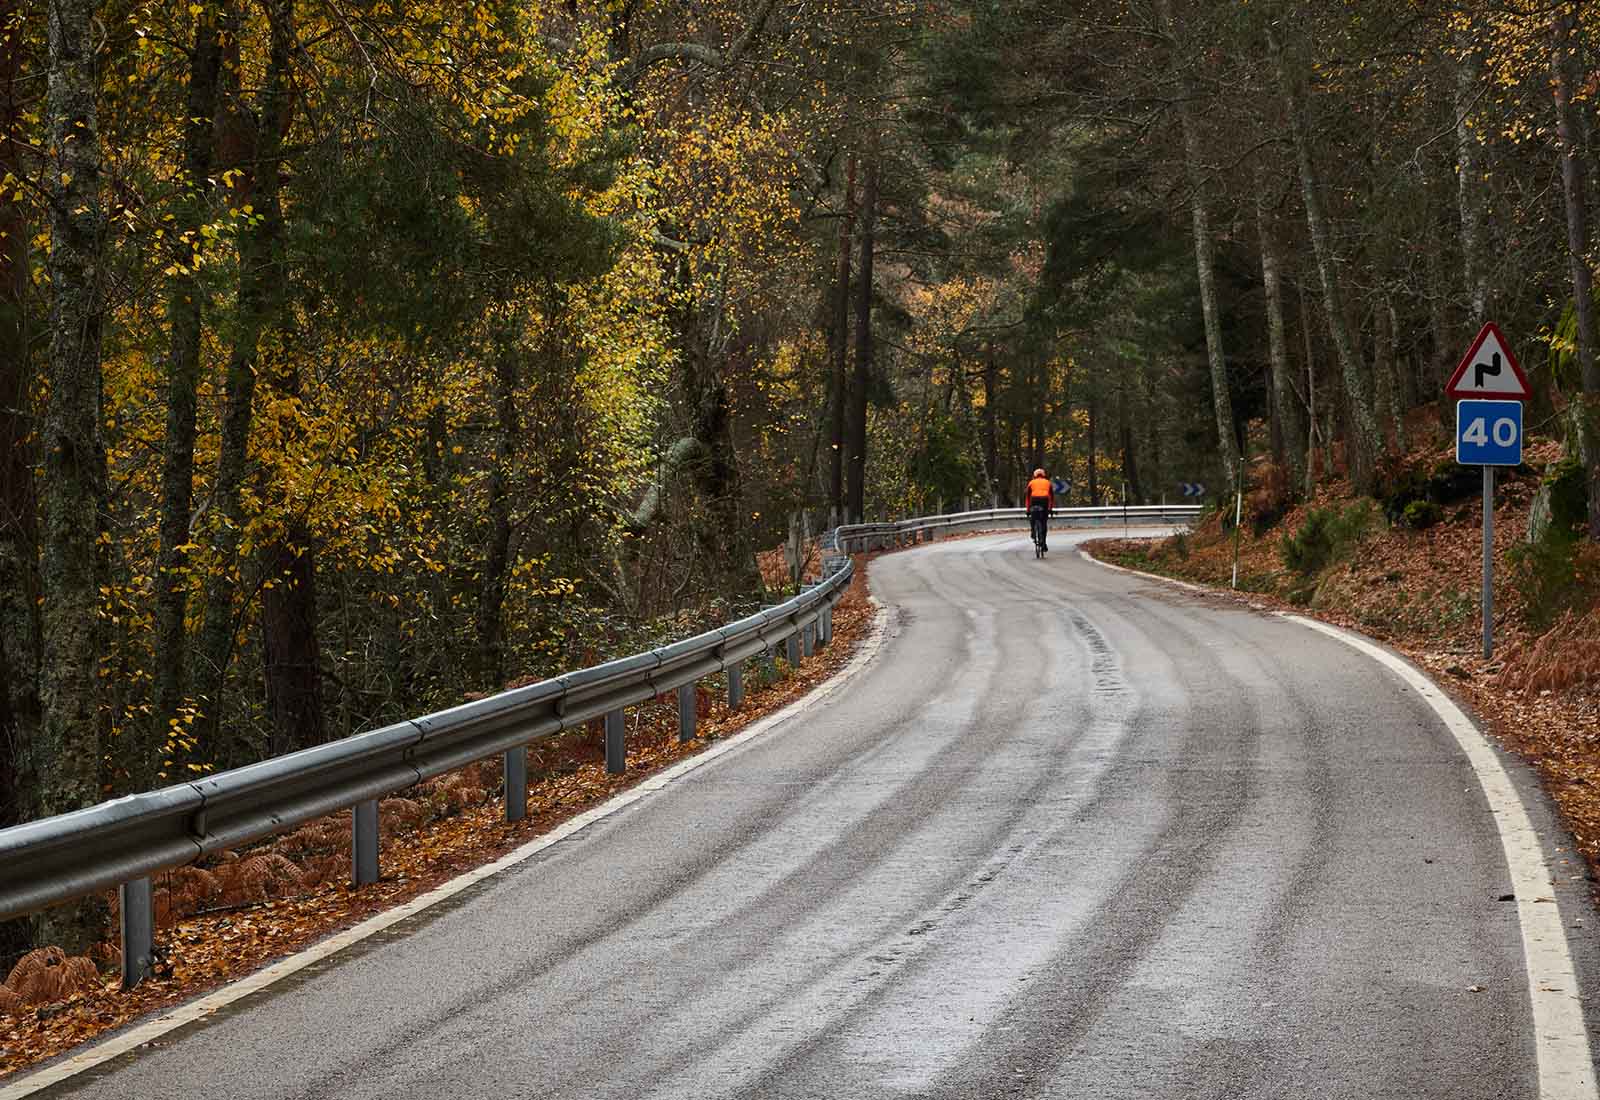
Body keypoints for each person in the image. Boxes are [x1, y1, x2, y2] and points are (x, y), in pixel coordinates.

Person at [1024, 467, 1054, 552]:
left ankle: (1033, 532)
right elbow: (1051, 497)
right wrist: (1050, 509)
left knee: (1033, 517)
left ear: (1035, 475)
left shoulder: (1031, 482)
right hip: (1045, 500)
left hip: (1034, 500)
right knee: (1044, 521)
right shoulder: (1048, 482)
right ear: (1044, 475)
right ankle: (1043, 543)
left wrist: (1028, 510)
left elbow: (1027, 498)